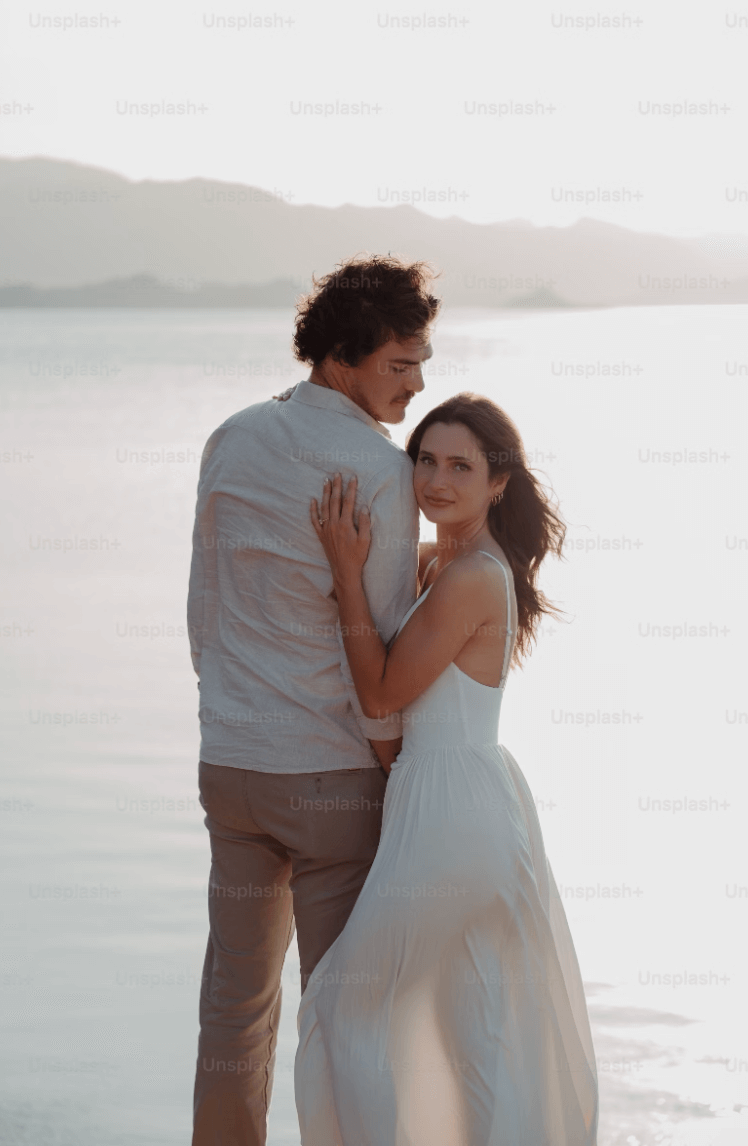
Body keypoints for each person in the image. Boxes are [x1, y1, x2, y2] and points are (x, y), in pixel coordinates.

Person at [295, 393, 599, 1145]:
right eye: (424, 460)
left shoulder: (471, 579)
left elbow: (380, 691)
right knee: (463, 1024)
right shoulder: (445, 563)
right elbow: (397, 721)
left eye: (460, 466)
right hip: (446, 803)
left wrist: (345, 570)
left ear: (498, 483)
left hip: (454, 815)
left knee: (348, 1004)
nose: (435, 480)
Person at [186, 255, 440, 1144]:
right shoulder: (377, 470)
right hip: (333, 774)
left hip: (234, 766)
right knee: (342, 1019)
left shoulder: (232, 435)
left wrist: (226, 713)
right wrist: (394, 769)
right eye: (400, 364)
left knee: (232, 1013)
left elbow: (204, 606)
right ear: (341, 355)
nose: (417, 383)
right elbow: (375, 640)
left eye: (421, 363)